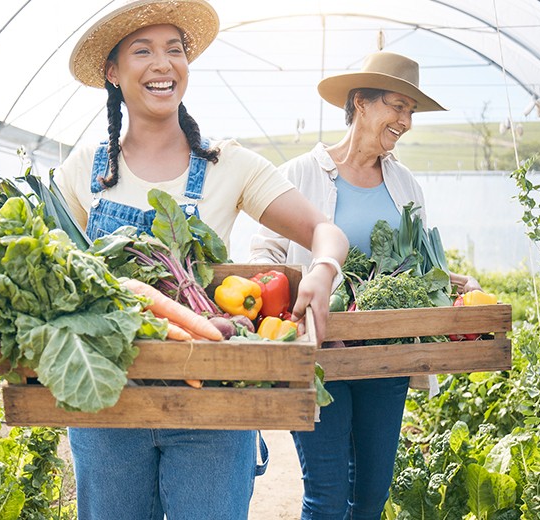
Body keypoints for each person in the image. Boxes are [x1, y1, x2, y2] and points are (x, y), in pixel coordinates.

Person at [54, 1, 349, 518]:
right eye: (142, 50)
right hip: (108, 405)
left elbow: (324, 231)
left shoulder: (227, 165)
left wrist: (324, 268)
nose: (163, 63)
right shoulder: (84, 170)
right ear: (113, 72)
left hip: (214, 403)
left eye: (175, 49)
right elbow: (49, 262)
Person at [249, 51, 482, 518]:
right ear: (360, 102)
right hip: (321, 359)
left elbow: (416, 268)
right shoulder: (300, 174)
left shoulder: (405, 184)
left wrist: (459, 285)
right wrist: (295, 302)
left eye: (411, 111)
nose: (406, 121)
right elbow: (264, 255)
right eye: (397, 106)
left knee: (372, 496)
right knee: (327, 496)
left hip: (385, 358)